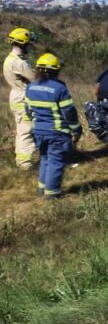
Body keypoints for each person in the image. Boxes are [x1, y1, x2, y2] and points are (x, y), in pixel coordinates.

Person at [23, 53, 82, 199]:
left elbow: (27, 110)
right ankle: (52, 193)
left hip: (39, 131)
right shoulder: (59, 89)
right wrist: (76, 129)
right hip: (57, 132)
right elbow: (69, 112)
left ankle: (42, 188)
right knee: (56, 161)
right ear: (55, 70)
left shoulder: (30, 87)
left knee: (45, 158)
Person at [3, 27, 39, 170]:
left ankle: (23, 160)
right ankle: (24, 164)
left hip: (17, 95)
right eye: (28, 43)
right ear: (23, 43)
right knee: (26, 130)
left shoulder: (10, 59)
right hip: (22, 97)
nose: (29, 46)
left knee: (23, 129)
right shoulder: (19, 63)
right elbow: (35, 78)